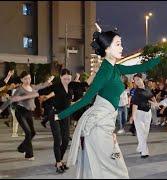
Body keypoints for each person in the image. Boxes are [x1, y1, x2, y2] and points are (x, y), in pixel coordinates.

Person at [57, 23, 160, 178]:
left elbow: (138, 67)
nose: (122, 47)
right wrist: (60, 115)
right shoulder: (104, 72)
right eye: (118, 44)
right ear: (107, 49)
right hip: (98, 126)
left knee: (107, 167)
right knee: (116, 168)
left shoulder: (115, 68)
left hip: (105, 125)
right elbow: (86, 100)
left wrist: (159, 58)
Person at [0, 71, 54, 160]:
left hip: (29, 113)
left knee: (33, 133)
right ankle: (29, 154)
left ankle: (21, 147)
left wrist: (49, 81)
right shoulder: (20, 89)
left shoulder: (32, 87)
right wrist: (1, 109)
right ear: (21, 79)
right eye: (25, 79)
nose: (28, 80)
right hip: (20, 112)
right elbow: (11, 100)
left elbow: (41, 85)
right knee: (28, 133)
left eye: (29, 78)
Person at [130, 74, 157, 158]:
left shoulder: (148, 89)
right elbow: (134, 105)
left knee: (145, 132)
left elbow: (151, 97)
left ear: (142, 79)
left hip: (148, 113)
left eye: (138, 79)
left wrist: (155, 103)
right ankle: (144, 152)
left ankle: (140, 147)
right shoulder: (136, 92)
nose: (137, 82)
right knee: (141, 132)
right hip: (138, 114)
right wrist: (133, 116)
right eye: (135, 80)